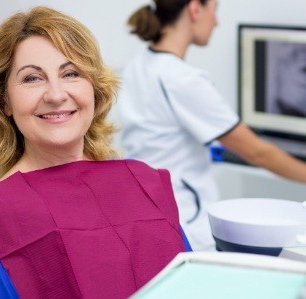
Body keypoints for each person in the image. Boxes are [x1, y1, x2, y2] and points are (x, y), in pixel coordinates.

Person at [0, 6, 190, 299]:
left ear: (94, 89)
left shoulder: (144, 185)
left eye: (70, 73)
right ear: (3, 99)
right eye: (32, 78)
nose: (56, 95)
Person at [117, 0, 306, 251]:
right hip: (187, 222)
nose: (216, 22)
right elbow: (258, 152)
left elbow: (158, 135)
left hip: (150, 214)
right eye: (214, 10)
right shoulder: (183, 79)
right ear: (195, 9)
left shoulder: (137, 65)